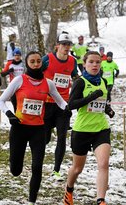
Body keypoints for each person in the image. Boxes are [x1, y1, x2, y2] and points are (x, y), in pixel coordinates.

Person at [0, 51, 71, 205]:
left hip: (38, 129)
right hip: (19, 128)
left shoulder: (49, 83)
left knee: (37, 166)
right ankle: (15, 164)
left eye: (38, 61)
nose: (36, 64)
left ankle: (32, 200)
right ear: (27, 63)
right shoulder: (19, 80)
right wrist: (10, 114)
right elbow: (1, 101)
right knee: (15, 170)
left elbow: (60, 101)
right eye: (32, 61)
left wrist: (68, 108)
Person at [64, 51, 115, 205]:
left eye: (98, 62)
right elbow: (70, 105)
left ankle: (101, 200)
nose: (95, 65)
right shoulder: (80, 82)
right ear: (84, 64)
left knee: (103, 164)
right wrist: (90, 97)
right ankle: (69, 189)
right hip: (82, 130)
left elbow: (102, 102)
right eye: (91, 62)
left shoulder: (104, 82)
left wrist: (108, 110)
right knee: (77, 169)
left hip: (101, 129)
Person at [42, 32, 78, 180]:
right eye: (63, 44)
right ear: (57, 45)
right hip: (47, 103)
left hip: (63, 105)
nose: (66, 47)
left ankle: (56, 170)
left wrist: (74, 85)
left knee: (62, 137)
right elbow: (36, 73)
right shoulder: (47, 59)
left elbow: (75, 76)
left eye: (68, 45)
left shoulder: (72, 61)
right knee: (45, 138)